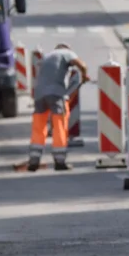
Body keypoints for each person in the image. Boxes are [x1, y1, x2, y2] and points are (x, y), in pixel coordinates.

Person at [28, 43, 89, 171]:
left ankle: (34, 160)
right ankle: (59, 161)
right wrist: (84, 75)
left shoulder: (47, 57)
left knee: (39, 127)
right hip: (55, 93)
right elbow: (81, 65)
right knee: (59, 126)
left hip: (39, 94)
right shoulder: (66, 53)